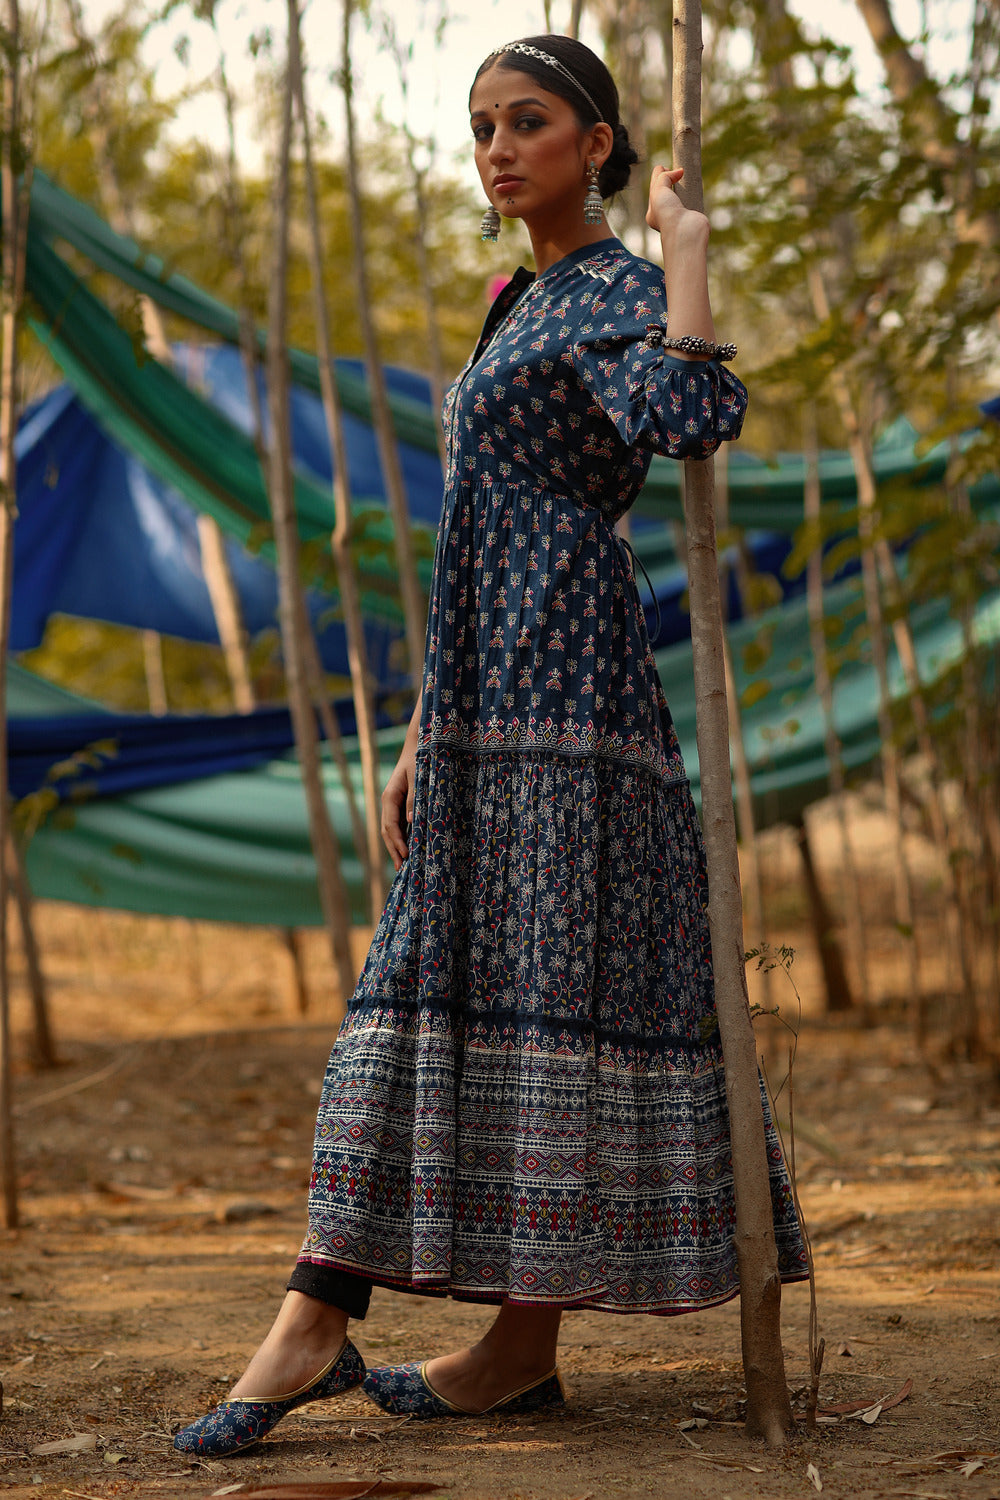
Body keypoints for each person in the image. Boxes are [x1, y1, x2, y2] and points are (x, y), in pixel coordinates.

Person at [174, 33, 807, 1455]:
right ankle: (506, 1348)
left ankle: (319, 1317)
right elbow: (477, 527)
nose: (500, 148)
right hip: (478, 698)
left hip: (574, 705)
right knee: (456, 992)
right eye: (482, 128)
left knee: (535, 999)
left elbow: (693, 412)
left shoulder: (621, 286)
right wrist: (419, 725)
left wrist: (688, 248)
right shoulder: (510, 298)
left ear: (597, 144)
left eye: (530, 122)